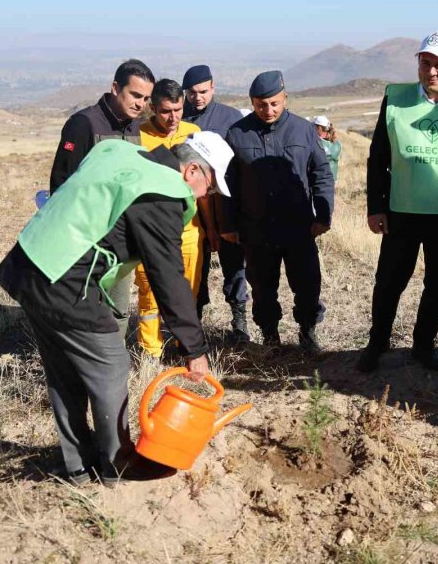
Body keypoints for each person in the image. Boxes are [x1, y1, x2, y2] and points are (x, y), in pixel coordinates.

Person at [0, 136, 232, 484]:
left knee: (64, 371)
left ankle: (77, 466)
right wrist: (194, 348)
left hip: (31, 262)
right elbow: (167, 276)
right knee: (111, 365)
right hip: (65, 280)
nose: (203, 198)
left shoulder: (122, 152)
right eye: (208, 189)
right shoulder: (161, 190)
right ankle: (117, 464)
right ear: (192, 169)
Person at [358, 30, 438, 372]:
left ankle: (423, 346)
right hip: (402, 210)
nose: (432, 71)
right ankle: (377, 343)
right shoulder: (396, 101)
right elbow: (378, 157)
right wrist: (376, 206)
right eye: (425, 63)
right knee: (389, 281)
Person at [222, 70, 334, 352]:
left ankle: (307, 332)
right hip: (256, 229)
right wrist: (228, 223)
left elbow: (321, 172)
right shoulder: (237, 133)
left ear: (285, 97)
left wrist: (323, 215)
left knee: (308, 285)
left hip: (298, 227)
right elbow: (227, 183)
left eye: (274, 103)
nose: (268, 110)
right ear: (252, 102)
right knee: (262, 289)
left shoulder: (304, 130)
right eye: (261, 105)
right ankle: (270, 335)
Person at [48, 59, 155, 339]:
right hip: (87, 239)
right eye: (135, 95)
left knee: (118, 309)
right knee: (84, 308)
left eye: (145, 98)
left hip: (121, 239)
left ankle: (112, 365)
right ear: (115, 87)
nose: (140, 104)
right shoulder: (83, 124)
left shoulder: (133, 127)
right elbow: (62, 183)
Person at [135, 80, 208, 362]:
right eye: (166, 111)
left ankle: (185, 350)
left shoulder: (194, 133)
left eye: (178, 110)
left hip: (189, 231)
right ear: (153, 108)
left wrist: (210, 229)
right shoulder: (138, 136)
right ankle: (150, 354)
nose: (173, 117)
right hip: (151, 233)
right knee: (150, 294)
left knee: (187, 294)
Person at [182, 65, 249, 341]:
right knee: (195, 268)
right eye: (192, 93)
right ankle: (193, 322)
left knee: (234, 266)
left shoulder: (231, 119)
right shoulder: (180, 119)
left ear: (213, 87)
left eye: (203, 91)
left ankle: (239, 321)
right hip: (192, 211)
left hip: (226, 206)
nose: (198, 97)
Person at [312, 115, 342, 183]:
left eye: (313, 126)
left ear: (319, 128)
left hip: (320, 180)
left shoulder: (317, 143)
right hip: (333, 179)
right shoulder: (337, 144)